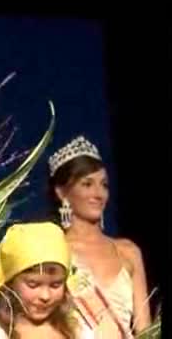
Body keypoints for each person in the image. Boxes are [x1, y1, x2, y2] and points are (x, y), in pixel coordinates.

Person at [47, 136, 152, 338]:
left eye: (104, 185)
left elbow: (145, 330)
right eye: (87, 184)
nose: (99, 193)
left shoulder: (128, 251)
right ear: (62, 193)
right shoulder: (53, 248)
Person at [0, 222, 89, 339]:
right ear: (11, 282)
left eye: (55, 285)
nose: (45, 296)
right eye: (33, 285)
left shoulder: (78, 330)